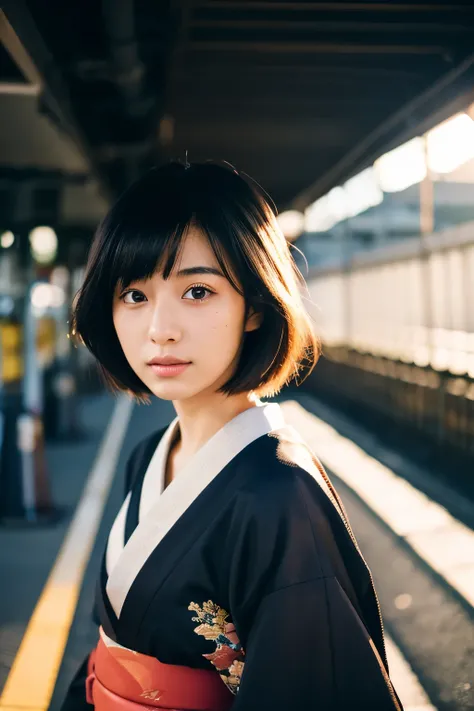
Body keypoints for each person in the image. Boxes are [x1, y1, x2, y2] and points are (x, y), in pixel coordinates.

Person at [61, 161, 404, 710]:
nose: (160, 329)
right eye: (134, 295)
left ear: (255, 307)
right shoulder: (150, 455)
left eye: (197, 292)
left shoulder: (281, 496)